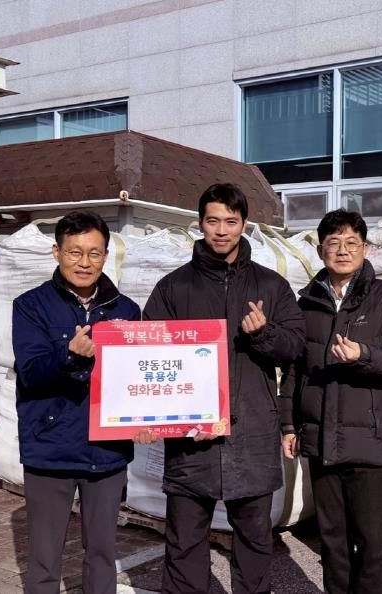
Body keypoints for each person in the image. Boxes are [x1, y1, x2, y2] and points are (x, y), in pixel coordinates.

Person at [142, 183, 306, 594]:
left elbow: (296, 348)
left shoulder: (271, 286)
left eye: (231, 222)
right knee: (184, 543)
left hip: (251, 436)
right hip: (191, 442)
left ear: (244, 224)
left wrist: (264, 334)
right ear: (200, 224)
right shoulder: (173, 288)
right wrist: (164, 418)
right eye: (213, 221)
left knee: (254, 543)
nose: (221, 230)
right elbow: (148, 357)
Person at [280, 208, 382, 594]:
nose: (342, 251)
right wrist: (289, 425)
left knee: (370, 545)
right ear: (320, 250)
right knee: (333, 543)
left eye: (351, 243)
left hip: (370, 444)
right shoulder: (307, 304)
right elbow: (294, 370)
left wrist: (364, 355)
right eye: (333, 243)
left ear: (365, 248)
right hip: (322, 443)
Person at [12, 210, 141, 594]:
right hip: (51, 446)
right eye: (74, 252)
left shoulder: (127, 310)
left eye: (94, 253)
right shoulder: (30, 306)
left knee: (102, 554)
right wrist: (69, 355)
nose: (84, 262)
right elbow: (31, 372)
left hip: (108, 450)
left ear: (106, 255)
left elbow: (136, 377)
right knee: (44, 559)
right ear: (57, 253)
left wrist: (145, 419)